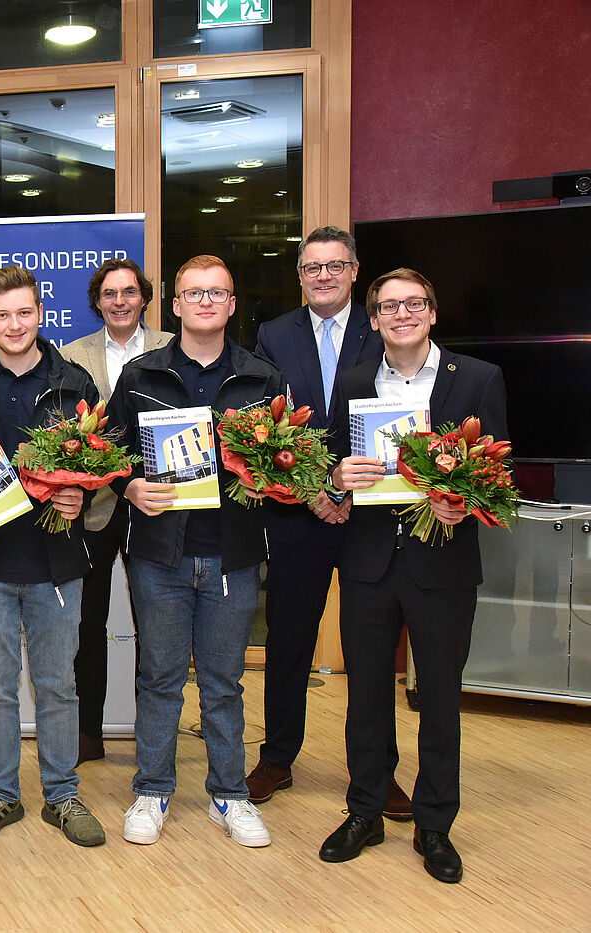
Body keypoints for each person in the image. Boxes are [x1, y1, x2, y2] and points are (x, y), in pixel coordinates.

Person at [320, 268, 508, 884]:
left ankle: (434, 825)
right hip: (370, 562)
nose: (401, 314)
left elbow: (497, 471)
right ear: (372, 320)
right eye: (388, 307)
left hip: (444, 563)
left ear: (432, 313)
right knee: (366, 695)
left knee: (440, 700)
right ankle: (366, 810)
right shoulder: (351, 383)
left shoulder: (478, 379)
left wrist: (465, 502)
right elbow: (328, 469)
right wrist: (338, 478)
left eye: (414, 304)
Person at [108, 254, 283, 849]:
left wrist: (273, 478)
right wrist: (129, 484)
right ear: (175, 305)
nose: (205, 301)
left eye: (217, 292)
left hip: (233, 555)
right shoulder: (140, 374)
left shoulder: (262, 379)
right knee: (158, 678)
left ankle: (229, 797)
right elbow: (109, 453)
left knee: (224, 682)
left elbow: (287, 457)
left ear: (232, 305)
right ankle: (152, 790)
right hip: (159, 555)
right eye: (193, 292)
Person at [248, 227, 412, 818]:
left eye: (335, 266)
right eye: (312, 267)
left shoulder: (386, 331)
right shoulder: (272, 336)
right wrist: (317, 488)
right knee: (288, 640)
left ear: (354, 271)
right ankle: (277, 757)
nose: (323, 275)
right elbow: (268, 427)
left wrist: (347, 487)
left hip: (371, 513)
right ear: (300, 275)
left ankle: (376, 773)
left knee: (368, 652)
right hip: (300, 512)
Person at [0, 265, 106, 847]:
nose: (14, 324)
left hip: (57, 562)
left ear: (41, 314)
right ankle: (1, 794)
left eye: (24, 313)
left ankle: (62, 796)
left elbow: (100, 462)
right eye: (2, 314)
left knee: (58, 683)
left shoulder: (75, 382)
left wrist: (81, 492)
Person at [61, 258, 172, 764]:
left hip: (157, 503)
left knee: (159, 623)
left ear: (144, 298)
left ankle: (157, 738)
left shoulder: (173, 349)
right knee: (88, 621)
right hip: (95, 508)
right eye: (110, 293)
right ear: (97, 302)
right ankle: (88, 732)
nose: (120, 301)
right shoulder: (71, 356)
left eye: (130, 292)